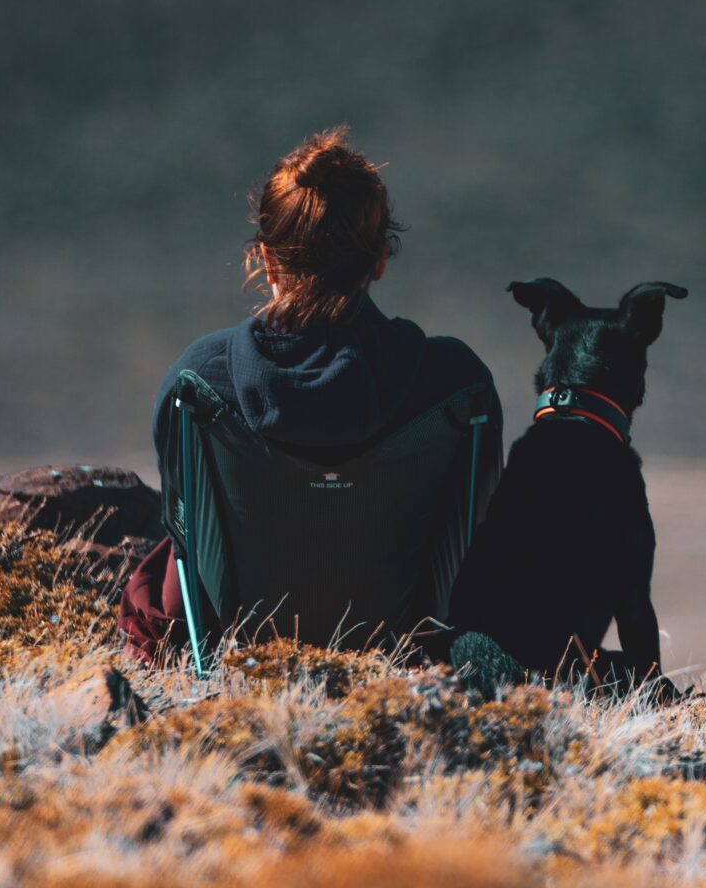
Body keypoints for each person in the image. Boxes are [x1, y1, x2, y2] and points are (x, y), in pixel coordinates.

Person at [136, 127, 502, 661]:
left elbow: (187, 527)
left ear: (266, 260)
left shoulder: (199, 382)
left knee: (157, 567)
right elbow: (470, 531)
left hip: (253, 645)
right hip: (402, 647)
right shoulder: (456, 385)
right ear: (379, 259)